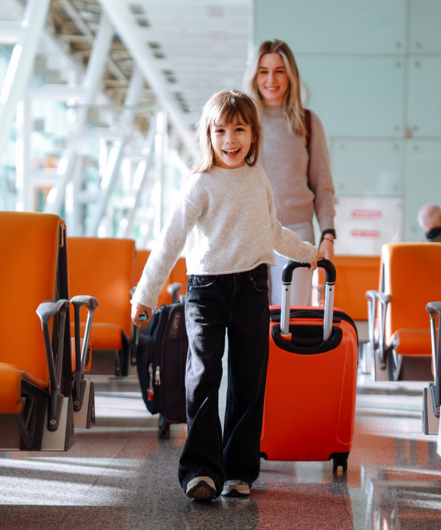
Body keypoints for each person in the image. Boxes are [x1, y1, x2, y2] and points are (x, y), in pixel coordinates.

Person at [131, 90, 321, 502]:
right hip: (206, 291)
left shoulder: (257, 179)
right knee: (203, 379)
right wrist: (145, 295)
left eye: (239, 129)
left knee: (248, 381)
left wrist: (311, 255)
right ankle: (200, 471)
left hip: (253, 286)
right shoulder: (199, 184)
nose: (229, 139)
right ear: (208, 135)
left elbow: (272, 232)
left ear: (253, 134)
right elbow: (169, 242)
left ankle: (238, 471)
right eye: (220, 130)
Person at [244, 39, 336, 306]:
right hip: (251, 232)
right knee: (253, 321)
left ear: (290, 75)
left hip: (297, 233)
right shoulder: (244, 123)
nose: (271, 79)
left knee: (292, 318)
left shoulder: (307, 122)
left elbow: (323, 184)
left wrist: (327, 234)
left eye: (279, 71)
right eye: (263, 71)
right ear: (254, 76)